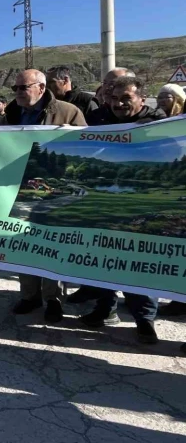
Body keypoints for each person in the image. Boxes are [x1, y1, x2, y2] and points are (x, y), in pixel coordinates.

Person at [78, 77, 165, 344]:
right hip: (103, 202)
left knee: (139, 262)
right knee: (104, 257)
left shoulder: (159, 122)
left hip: (144, 202)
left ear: (141, 98)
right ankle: (104, 309)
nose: (119, 103)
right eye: (114, 98)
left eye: (126, 98)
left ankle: (144, 321)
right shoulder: (98, 118)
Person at [4, 69, 87, 323]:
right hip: (18, 189)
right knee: (21, 244)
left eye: (22, 87)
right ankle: (29, 296)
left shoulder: (67, 111)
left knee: (50, 245)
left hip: (52, 190)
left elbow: (87, 145)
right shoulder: (11, 113)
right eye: (15, 88)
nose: (17, 92)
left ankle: (53, 299)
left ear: (40, 87)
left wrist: (71, 135)